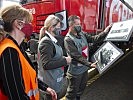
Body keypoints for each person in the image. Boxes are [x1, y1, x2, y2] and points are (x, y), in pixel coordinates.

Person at [0, 4, 57, 100]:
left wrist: (45, 87)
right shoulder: (9, 52)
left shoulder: (17, 48)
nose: (30, 26)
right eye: (28, 22)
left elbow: (28, 76)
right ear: (18, 24)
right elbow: (17, 96)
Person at [64, 15, 112, 100]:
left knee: (80, 90)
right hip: (75, 72)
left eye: (80, 23)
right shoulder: (68, 40)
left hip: (84, 69)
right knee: (72, 94)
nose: (80, 26)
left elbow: (94, 39)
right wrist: (89, 64)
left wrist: (105, 32)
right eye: (77, 24)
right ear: (71, 26)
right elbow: (76, 56)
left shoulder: (82, 33)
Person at [37, 15, 72, 100]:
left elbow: (53, 57)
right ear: (51, 28)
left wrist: (61, 57)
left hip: (54, 81)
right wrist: (65, 60)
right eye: (58, 27)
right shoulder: (46, 42)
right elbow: (47, 64)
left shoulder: (51, 41)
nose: (60, 30)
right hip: (49, 85)